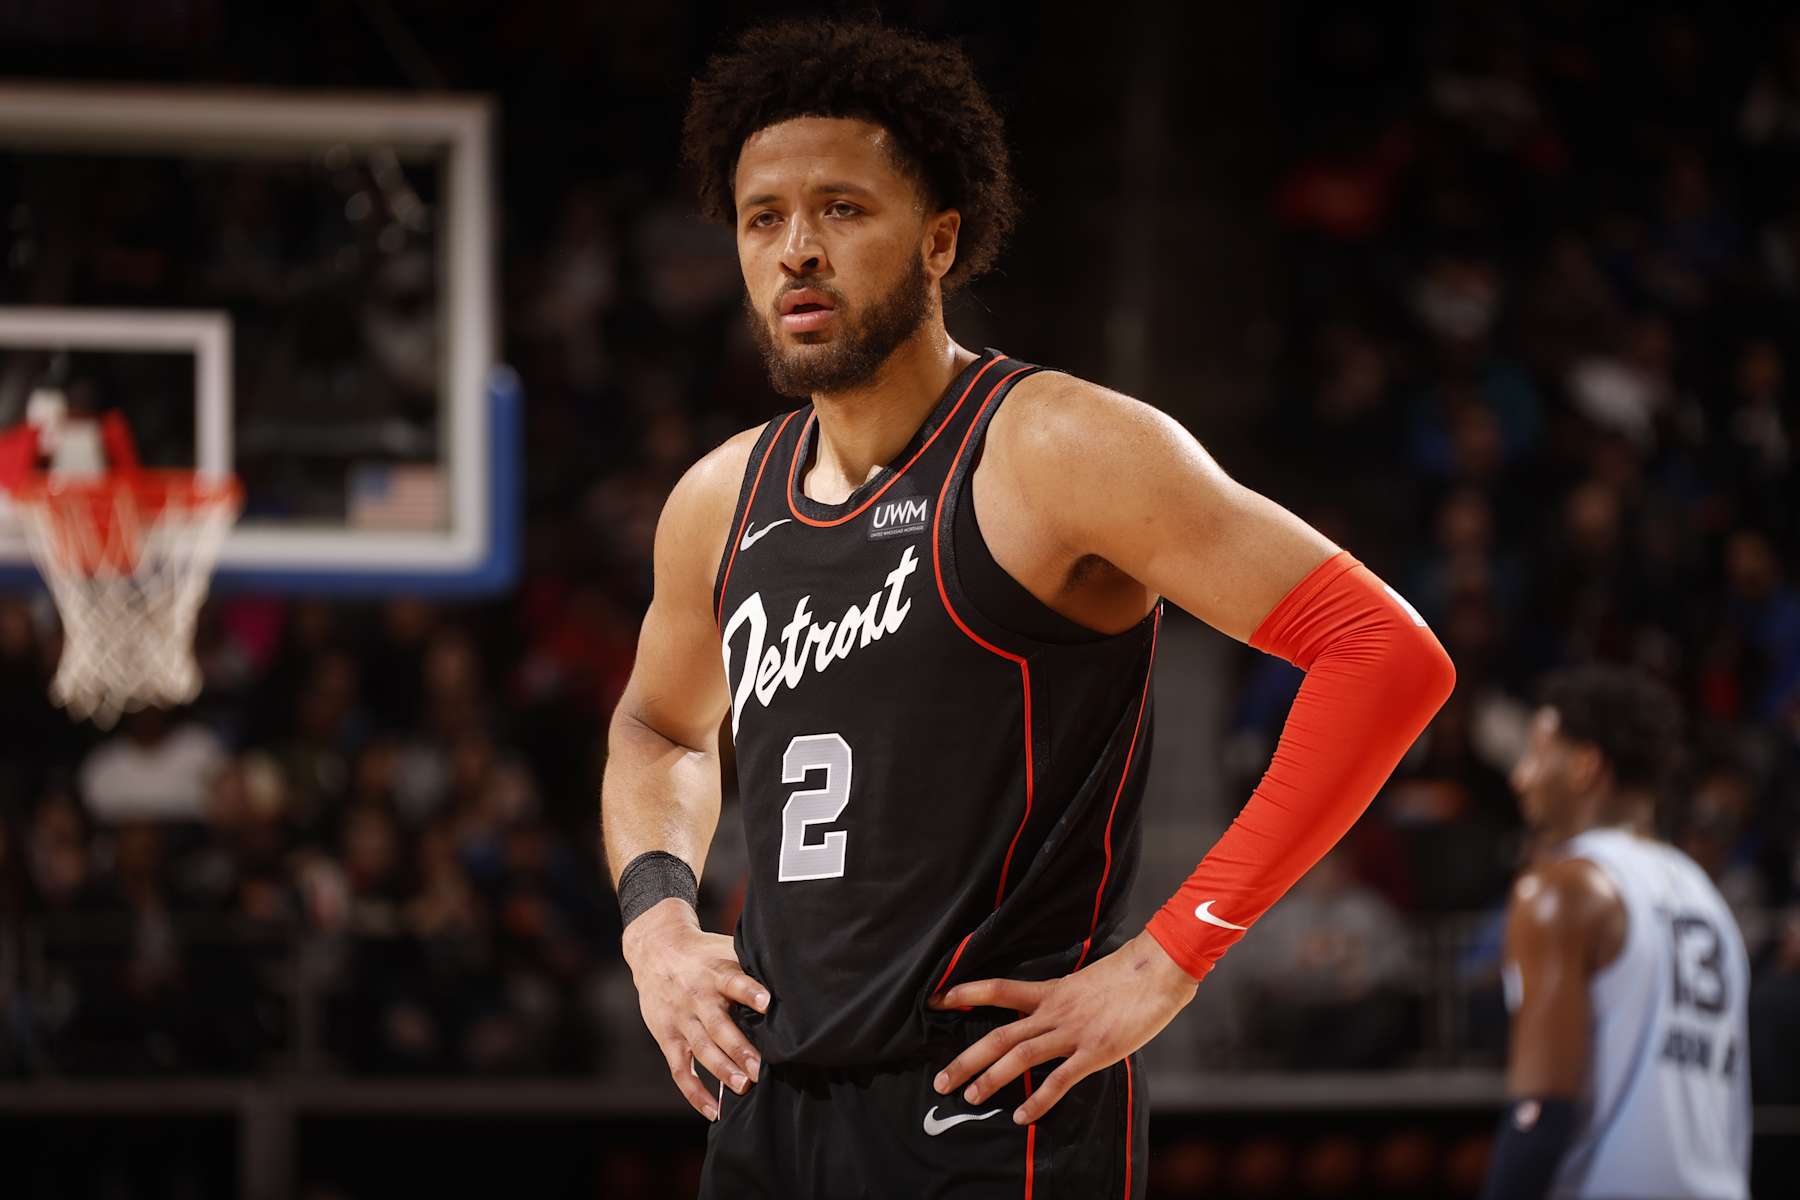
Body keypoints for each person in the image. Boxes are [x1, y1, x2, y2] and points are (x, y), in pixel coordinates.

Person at [602, 19, 1455, 1198]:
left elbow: (1382, 654)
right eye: (764, 218)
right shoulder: (717, 498)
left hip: (992, 1108)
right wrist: (655, 921)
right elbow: (655, 729)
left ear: (940, 239)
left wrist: (1172, 957)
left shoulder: (1058, 448)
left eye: (842, 209)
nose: (798, 249)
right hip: (769, 1103)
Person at [1482, 667, 1750, 1200]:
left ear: (1584, 765)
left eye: (1538, 755)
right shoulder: (1705, 896)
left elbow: (1542, 1110)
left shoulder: (1564, 891)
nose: (1522, 777)